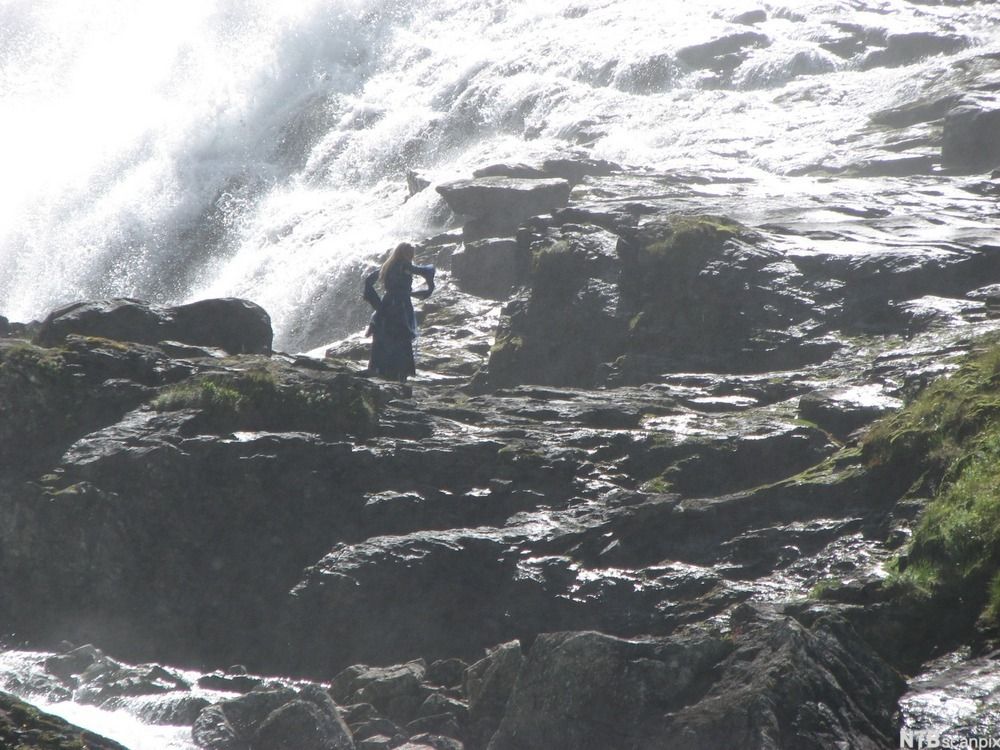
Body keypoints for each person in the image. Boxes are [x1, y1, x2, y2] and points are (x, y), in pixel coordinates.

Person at [363, 242, 435, 381]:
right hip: (400, 305)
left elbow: (368, 281)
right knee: (401, 335)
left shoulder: (387, 265)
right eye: (411, 253)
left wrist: (377, 303)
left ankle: (381, 369)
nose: (412, 256)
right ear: (405, 253)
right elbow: (424, 271)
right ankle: (399, 371)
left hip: (387, 302)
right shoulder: (404, 264)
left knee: (385, 333)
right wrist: (430, 280)